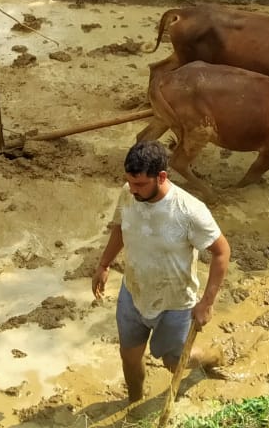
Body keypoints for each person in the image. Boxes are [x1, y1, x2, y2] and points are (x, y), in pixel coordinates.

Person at [92, 141, 230, 404]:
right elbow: (120, 229)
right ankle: (133, 403)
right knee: (129, 357)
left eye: (140, 185)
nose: (133, 190)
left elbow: (222, 252)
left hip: (175, 303)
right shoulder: (128, 193)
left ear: (161, 177)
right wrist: (104, 265)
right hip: (133, 293)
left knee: (173, 361)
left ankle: (213, 357)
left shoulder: (189, 211)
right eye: (130, 183)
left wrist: (207, 303)